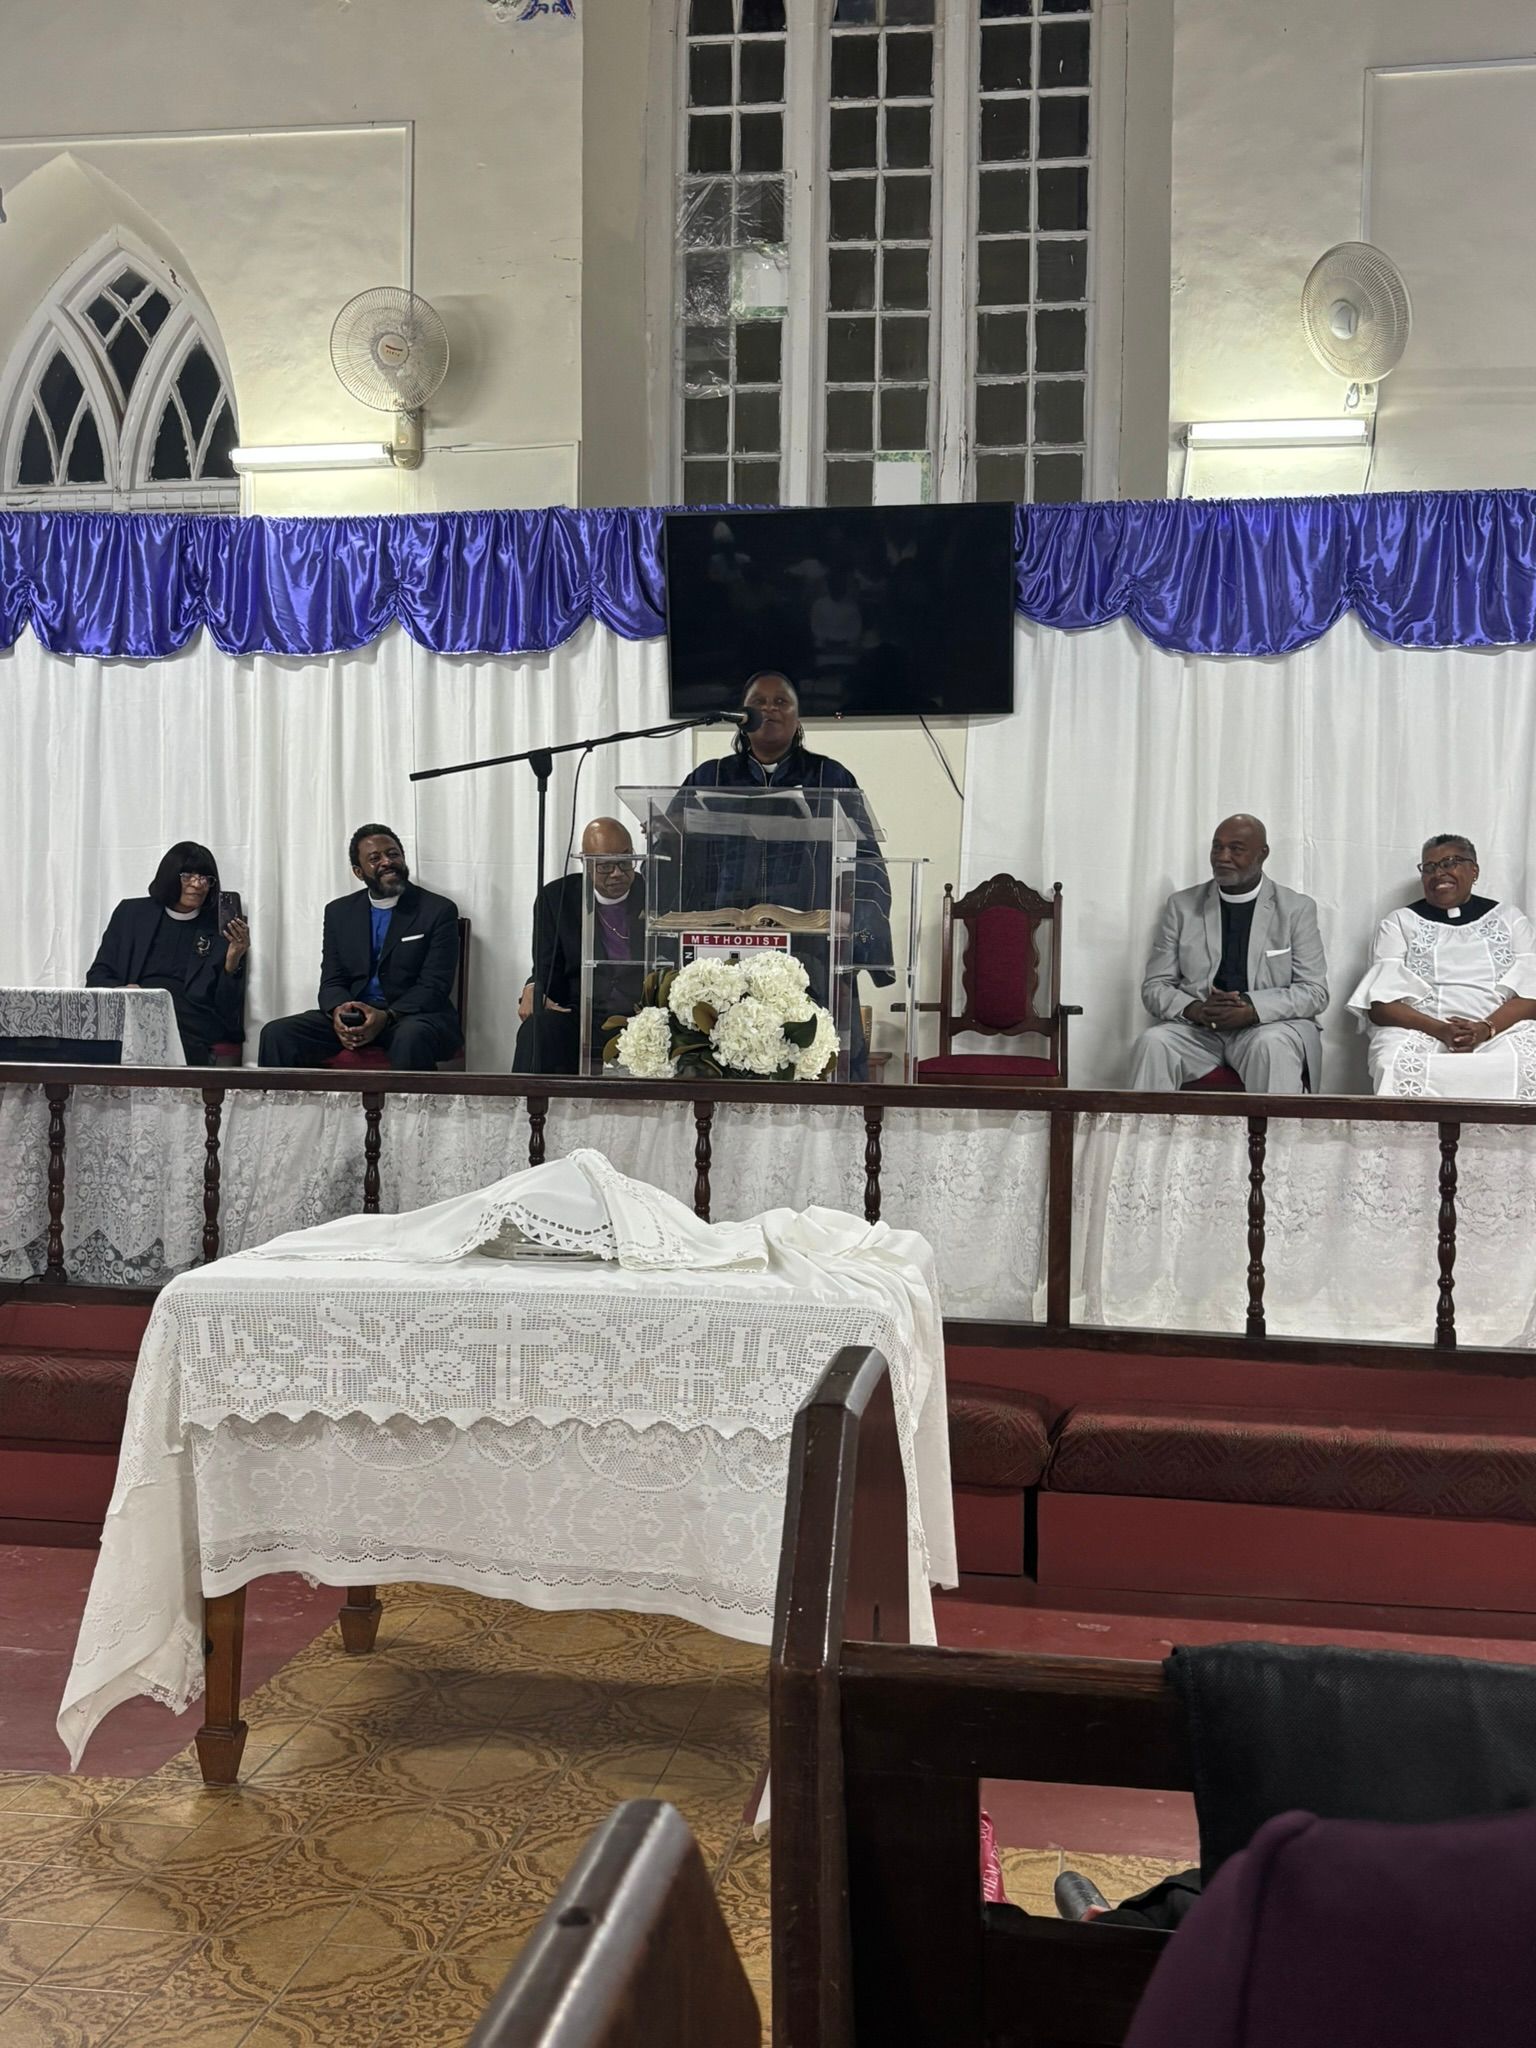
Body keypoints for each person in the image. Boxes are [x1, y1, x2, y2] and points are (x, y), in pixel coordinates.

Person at [674, 672, 892, 1078]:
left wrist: (854, 943)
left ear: (798, 717)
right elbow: (671, 852)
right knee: (727, 1060)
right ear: (742, 715)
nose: (769, 709)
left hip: (814, 950)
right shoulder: (708, 778)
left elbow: (866, 863)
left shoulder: (832, 779)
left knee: (814, 1064)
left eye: (781, 702)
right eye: (759, 702)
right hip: (723, 949)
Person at [1130, 814, 1328, 1092]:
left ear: (1262, 854)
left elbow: (1314, 992)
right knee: (1154, 1043)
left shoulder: (1296, 909)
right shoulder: (1182, 906)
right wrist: (1196, 1010)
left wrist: (1250, 1009)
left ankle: (1278, 1137)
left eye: (1236, 849)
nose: (1222, 857)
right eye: (1216, 847)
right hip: (1198, 1030)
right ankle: (1147, 1137)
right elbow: (1155, 986)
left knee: (1270, 1046)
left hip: (1268, 1026)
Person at [258, 824, 462, 1070]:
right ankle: (283, 1110)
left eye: (393, 854)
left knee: (412, 1037)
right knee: (277, 1034)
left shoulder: (437, 910)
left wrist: (386, 1017)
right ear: (358, 871)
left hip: (413, 1016)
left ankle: (407, 1111)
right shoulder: (339, 912)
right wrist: (340, 1012)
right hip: (357, 1015)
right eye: (375, 858)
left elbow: (435, 985)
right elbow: (332, 979)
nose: (387, 861)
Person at [1348, 833, 1536, 1097]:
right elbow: (1380, 1008)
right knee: (1392, 1062)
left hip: (1501, 1030)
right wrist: (1441, 1030)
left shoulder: (1510, 919)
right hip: (1423, 1029)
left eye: (1450, 863)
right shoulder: (1400, 922)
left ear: (1474, 870)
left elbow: (1531, 996)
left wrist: (1485, 1028)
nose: (1439, 873)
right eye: (1430, 867)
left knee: (1529, 1063)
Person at [86, 841, 249, 1064]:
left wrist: (232, 962)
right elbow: (97, 977)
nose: (197, 884)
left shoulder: (222, 928)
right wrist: (125, 991)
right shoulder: (131, 915)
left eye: (205, 878)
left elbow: (225, 1008)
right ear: (170, 876)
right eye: (187, 876)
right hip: (136, 1008)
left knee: (173, 1028)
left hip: (191, 1018)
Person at [513, 816, 645, 1075]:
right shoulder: (556, 898)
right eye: (605, 866)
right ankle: (526, 1110)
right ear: (585, 863)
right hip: (582, 1016)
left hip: (645, 1018)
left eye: (625, 860)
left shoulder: (657, 892)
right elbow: (546, 967)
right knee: (537, 1030)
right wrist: (534, 987)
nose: (618, 872)